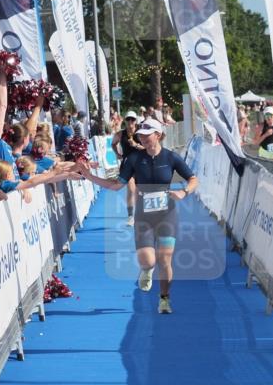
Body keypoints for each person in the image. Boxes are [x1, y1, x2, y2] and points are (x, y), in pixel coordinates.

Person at [76, 118, 198, 315]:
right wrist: (89, 176)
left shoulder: (171, 157)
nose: (142, 137)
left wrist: (184, 192)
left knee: (165, 259)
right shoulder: (134, 159)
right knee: (148, 261)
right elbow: (116, 185)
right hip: (144, 215)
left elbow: (193, 178)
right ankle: (147, 270)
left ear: (158, 135)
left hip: (167, 214)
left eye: (147, 134)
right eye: (141, 134)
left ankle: (164, 299)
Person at [112, 111, 143, 225]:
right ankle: (130, 216)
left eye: (132, 119)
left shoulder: (141, 133)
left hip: (140, 164)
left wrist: (136, 145)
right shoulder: (120, 134)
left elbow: (147, 148)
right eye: (128, 119)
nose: (130, 122)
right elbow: (113, 144)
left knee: (139, 191)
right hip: (127, 165)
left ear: (136, 121)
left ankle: (140, 214)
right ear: (125, 121)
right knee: (131, 188)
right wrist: (118, 154)